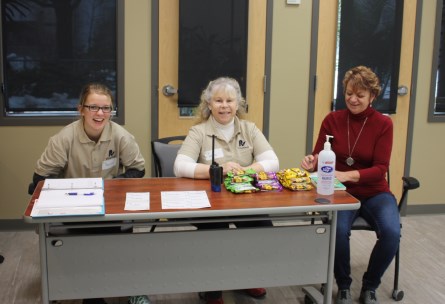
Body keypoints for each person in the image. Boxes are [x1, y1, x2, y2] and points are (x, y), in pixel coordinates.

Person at [30, 83, 150, 304]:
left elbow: (138, 169)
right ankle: (91, 293)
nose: (100, 113)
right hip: (73, 208)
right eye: (93, 107)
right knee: (89, 241)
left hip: (107, 206)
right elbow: (38, 180)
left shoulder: (120, 135)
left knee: (109, 238)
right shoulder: (64, 138)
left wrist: (112, 186)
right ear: (81, 109)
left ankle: (118, 286)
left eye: (106, 108)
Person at [173, 77, 279, 304]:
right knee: (216, 232)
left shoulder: (249, 129)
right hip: (209, 204)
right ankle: (212, 288)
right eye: (218, 100)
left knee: (262, 227)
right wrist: (218, 171)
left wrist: (246, 170)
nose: (224, 105)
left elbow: (272, 162)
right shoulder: (198, 132)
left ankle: (247, 278)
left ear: (238, 103)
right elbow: (179, 166)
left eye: (230, 100)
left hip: (244, 200)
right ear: (208, 103)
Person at [301, 66, 399, 304]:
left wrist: (346, 175)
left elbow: (380, 169)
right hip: (340, 193)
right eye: (349, 93)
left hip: (375, 193)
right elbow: (318, 156)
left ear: (372, 96)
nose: (353, 99)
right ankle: (343, 285)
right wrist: (311, 161)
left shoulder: (383, 124)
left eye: (360, 95)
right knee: (338, 230)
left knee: (391, 233)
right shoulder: (332, 120)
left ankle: (370, 286)